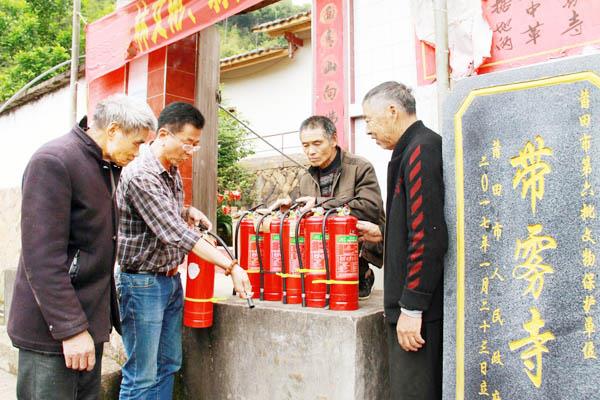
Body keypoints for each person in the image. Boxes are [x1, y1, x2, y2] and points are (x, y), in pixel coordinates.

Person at [8, 95, 157, 400]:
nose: (139, 152)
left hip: (87, 324)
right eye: (138, 143)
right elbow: (42, 259)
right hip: (53, 333)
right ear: (113, 130)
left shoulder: (105, 166)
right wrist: (71, 329)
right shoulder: (54, 161)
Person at [116, 102, 253, 400]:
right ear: (164, 135)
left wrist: (187, 210)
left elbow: (167, 214)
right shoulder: (141, 175)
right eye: (188, 143)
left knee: (168, 364)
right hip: (142, 284)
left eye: (195, 144)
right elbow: (177, 233)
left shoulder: (171, 168)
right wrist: (230, 266)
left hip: (168, 279)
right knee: (142, 374)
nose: (191, 151)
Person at [356, 82, 448, 399]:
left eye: (370, 119)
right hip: (409, 309)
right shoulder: (408, 150)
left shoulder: (422, 149)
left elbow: (429, 236)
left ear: (393, 111)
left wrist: (412, 307)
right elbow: (413, 224)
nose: (368, 129)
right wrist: (383, 234)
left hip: (418, 313)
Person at [279, 115, 385, 299]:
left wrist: (319, 203)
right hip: (320, 250)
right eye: (305, 145)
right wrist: (289, 210)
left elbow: (370, 208)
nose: (311, 151)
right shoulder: (306, 178)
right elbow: (307, 213)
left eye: (317, 143)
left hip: (357, 245)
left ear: (334, 139)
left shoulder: (360, 167)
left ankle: (363, 274)